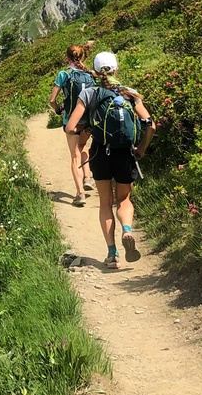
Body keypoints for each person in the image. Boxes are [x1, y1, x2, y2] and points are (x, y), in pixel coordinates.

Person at [65, 50, 155, 269]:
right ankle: (127, 230)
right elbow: (151, 125)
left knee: (105, 202)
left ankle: (112, 254)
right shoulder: (129, 93)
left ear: (95, 71)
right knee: (124, 200)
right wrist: (141, 149)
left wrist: (86, 128)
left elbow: (69, 128)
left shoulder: (89, 94)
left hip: (100, 153)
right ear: (117, 68)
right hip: (125, 154)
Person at [49, 44, 95, 206]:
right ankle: (88, 177)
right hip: (87, 120)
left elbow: (52, 100)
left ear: (67, 58)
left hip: (71, 120)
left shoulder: (64, 74)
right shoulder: (90, 75)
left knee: (74, 155)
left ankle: (80, 194)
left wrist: (58, 111)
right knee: (83, 147)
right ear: (83, 57)